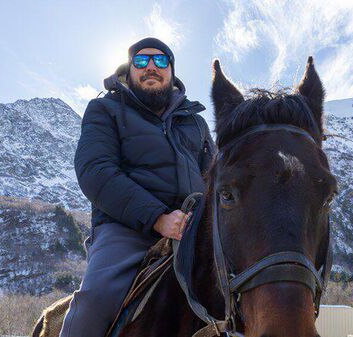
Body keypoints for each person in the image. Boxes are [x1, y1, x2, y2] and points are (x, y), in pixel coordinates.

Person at [59, 37, 214, 337]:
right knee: (95, 300)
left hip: (193, 229)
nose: (151, 67)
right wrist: (157, 217)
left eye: (161, 60)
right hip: (127, 229)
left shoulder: (195, 123)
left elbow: (215, 177)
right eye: (141, 61)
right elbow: (96, 172)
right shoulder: (105, 110)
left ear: (172, 70)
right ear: (129, 69)